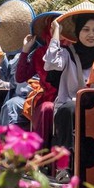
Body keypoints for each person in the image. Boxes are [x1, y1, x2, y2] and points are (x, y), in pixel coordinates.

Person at [44, 11, 94, 180]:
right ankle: (63, 167)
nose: (91, 34)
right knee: (69, 109)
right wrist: (56, 31)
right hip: (69, 106)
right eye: (86, 30)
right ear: (78, 32)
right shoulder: (67, 53)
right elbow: (50, 63)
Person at [15, 12, 61, 145]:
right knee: (47, 108)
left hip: (69, 99)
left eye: (60, 27)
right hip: (47, 100)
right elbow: (20, 77)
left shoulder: (71, 51)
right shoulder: (40, 53)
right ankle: (40, 155)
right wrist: (25, 50)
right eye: (53, 27)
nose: (57, 31)